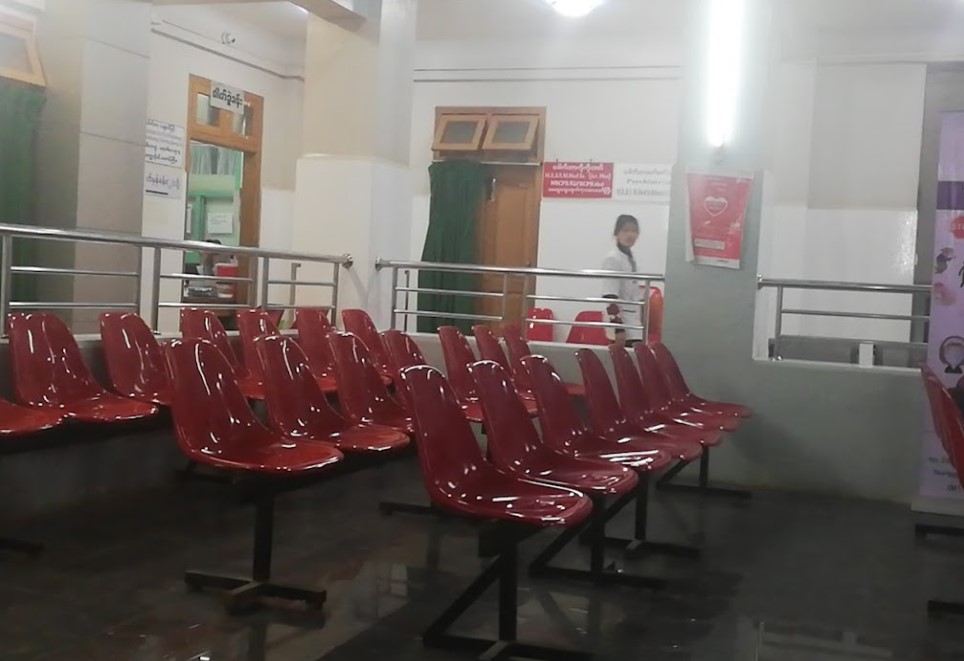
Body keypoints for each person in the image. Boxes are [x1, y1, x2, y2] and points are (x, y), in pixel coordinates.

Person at [601, 214, 643, 348]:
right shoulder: (612, 259)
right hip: (622, 323)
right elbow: (610, 295)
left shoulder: (630, 258)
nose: (630, 234)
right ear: (617, 233)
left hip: (633, 321)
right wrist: (618, 328)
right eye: (625, 230)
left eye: (634, 230)